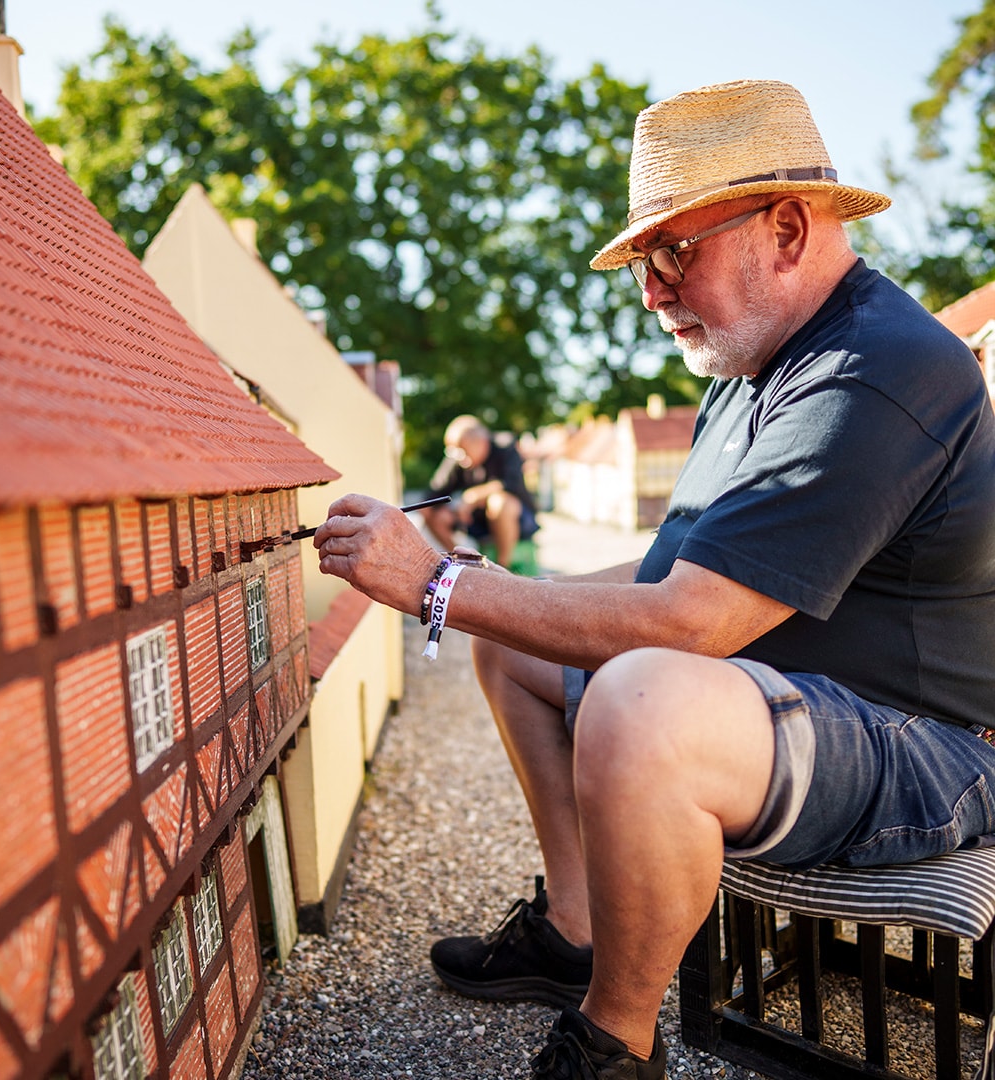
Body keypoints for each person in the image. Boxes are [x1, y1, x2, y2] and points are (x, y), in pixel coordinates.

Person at [312, 79, 995, 1080]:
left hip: (933, 743)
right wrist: (484, 589)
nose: (650, 291)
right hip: (803, 705)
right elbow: (679, 561)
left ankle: (618, 1040)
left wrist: (438, 584)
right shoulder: (752, 366)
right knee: (519, 634)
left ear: (791, 228)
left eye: (675, 250)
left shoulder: (879, 368)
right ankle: (578, 927)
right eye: (642, 260)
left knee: (640, 697)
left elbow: (691, 619)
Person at [421, 414, 539, 569]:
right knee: (432, 513)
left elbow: (512, 483)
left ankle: (503, 569)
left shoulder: (506, 447)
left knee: (500, 502)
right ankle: (462, 563)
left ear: (481, 442)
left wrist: (474, 496)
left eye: (464, 451)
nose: (461, 459)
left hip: (518, 521)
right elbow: (432, 496)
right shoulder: (458, 458)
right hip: (476, 522)